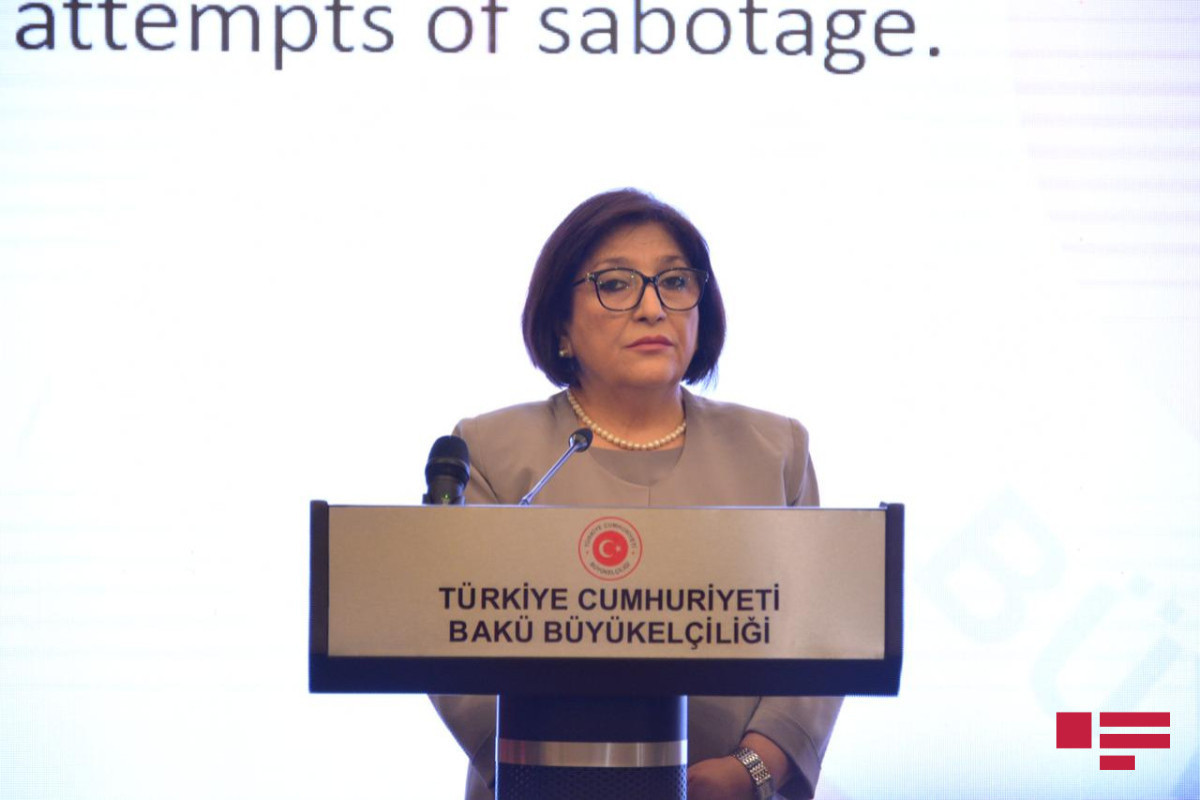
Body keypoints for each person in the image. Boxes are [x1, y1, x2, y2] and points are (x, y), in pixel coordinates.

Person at [431, 188, 841, 800]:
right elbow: (453, 645)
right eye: (616, 285)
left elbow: (818, 638)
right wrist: (558, 772)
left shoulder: (774, 450)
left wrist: (751, 770)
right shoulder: (491, 450)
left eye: (674, 282)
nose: (653, 308)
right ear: (560, 323)